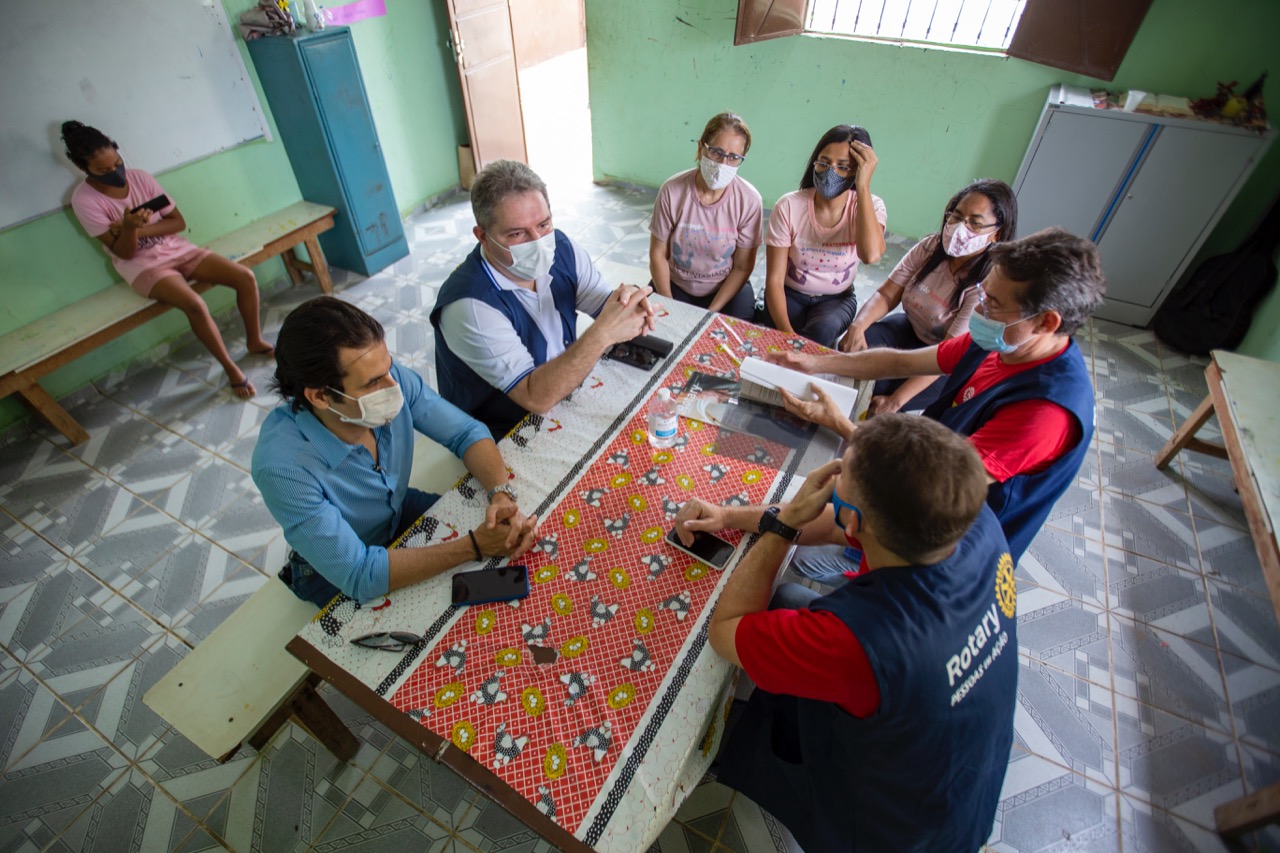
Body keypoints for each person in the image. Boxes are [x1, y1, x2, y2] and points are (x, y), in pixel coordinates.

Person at [673, 414, 1017, 852]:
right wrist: (730, 515)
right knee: (792, 599)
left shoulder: (856, 641)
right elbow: (840, 524)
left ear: (860, 524)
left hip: (900, 830)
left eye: (839, 485)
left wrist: (785, 525)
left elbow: (724, 631)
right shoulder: (968, 519)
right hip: (965, 766)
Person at [768, 227, 1104, 565]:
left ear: (1046, 322)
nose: (979, 311)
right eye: (982, 295)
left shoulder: (1044, 414)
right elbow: (898, 360)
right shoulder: (1001, 341)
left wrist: (839, 422)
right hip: (923, 481)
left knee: (808, 558)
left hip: (941, 542)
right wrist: (816, 362)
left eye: (994, 305)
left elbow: (931, 483)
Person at [253, 297, 538, 607]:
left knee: (509, 537)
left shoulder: (388, 381)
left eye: (388, 368)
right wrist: (473, 546)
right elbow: (360, 574)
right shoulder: (282, 467)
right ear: (321, 396)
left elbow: (466, 432)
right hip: (338, 570)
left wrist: (500, 494)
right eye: (374, 382)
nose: (392, 385)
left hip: (396, 509)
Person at [431, 160, 657, 440]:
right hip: (502, 428)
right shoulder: (469, 306)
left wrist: (629, 298)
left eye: (543, 224)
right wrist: (602, 334)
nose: (538, 241)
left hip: (563, 389)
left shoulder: (561, 248)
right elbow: (534, 397)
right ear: (483, 237)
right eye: (516, 233)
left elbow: (606, 306)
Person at [62, 121, 271, 399]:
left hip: (177, 249)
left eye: (117, 163)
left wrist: (138, 228)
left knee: (244, 277)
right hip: (142, 265)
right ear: (82, 167)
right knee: (195, 305)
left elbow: (178, 223)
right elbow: (125, 252)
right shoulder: (84, 200)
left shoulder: (140, 179)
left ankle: (255, 341)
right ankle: (232, 370)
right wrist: (128, 228)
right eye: (103, 170)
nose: (115, 173)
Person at [840, 178, 1018, 413]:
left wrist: (896, 400)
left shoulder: (987, 281)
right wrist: (857, 326)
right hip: (909, 329)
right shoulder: (931, 247)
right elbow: (886, 294)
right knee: (858, 363)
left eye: (975, 223)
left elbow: (949, 351)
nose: (960, 228)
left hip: (947, 361)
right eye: (956, 216)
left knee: (886, 397)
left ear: (997, 233)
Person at [763, 124, 886, 348]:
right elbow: (774, 280)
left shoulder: (871, 206)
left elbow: (871, 254)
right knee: (768, 333)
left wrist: (863, 186)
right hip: (790, 292)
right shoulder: (789, 205)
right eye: (824, 162)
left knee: (821, 332)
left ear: (858, 170)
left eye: (843, 167)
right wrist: (788, 336)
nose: (831, 173)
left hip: (837, 299)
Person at [649, 112, 763, 320]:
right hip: (677, 285)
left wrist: (711, 312)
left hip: (725, 290)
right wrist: (669, 304)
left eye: (733, 157)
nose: (723, 163)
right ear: (701, 148)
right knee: (658, 332)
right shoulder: (672, 191)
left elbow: (742, 266)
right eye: (716, 152)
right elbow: (658, 254)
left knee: (734, 339)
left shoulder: (749, 200)